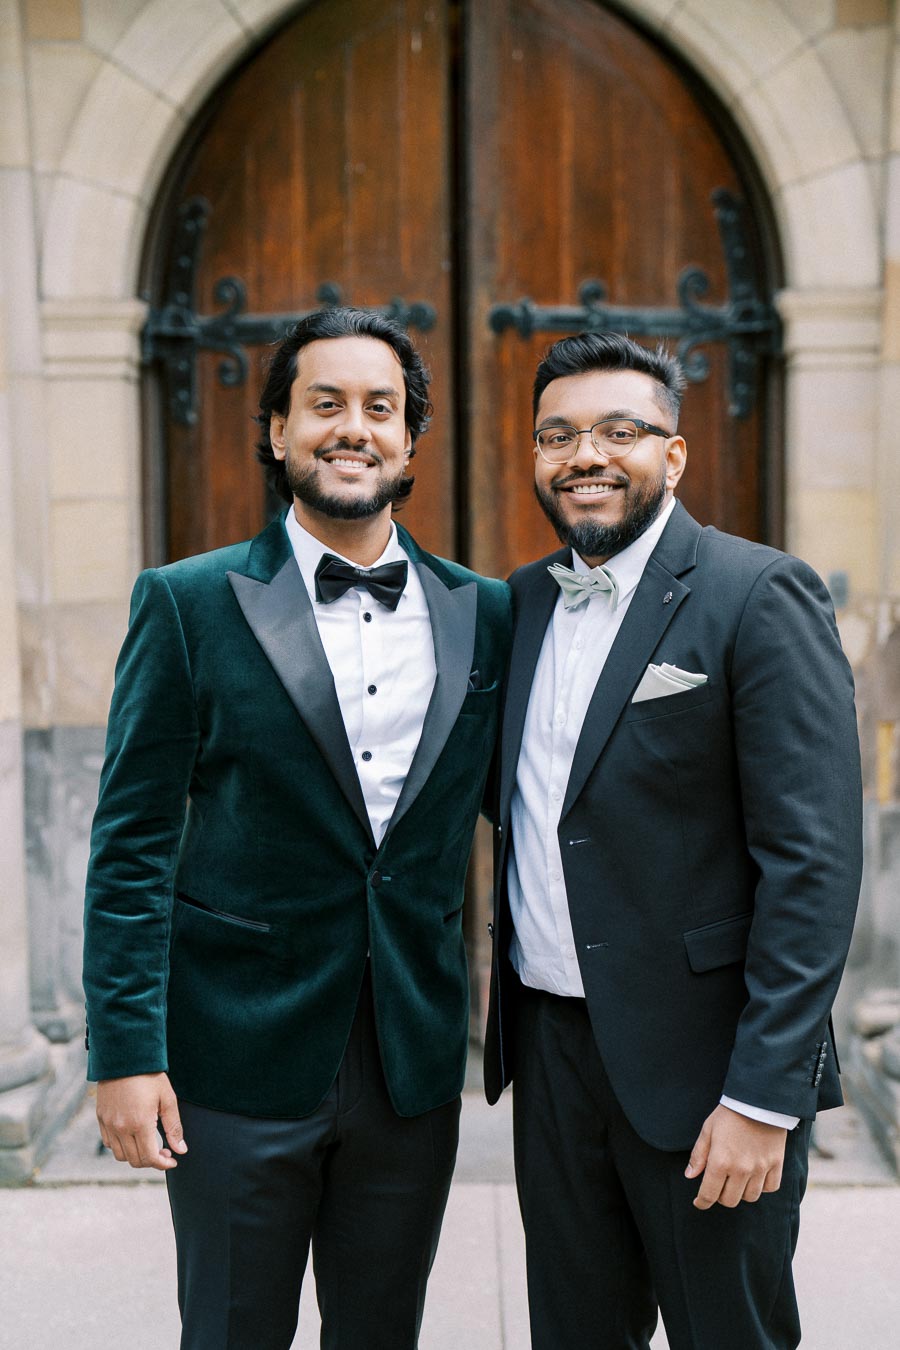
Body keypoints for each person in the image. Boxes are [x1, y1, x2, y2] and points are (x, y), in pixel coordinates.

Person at [82, 307, 511, 1350]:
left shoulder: (487, 613)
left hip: (410, 1065)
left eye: (380, 408)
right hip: (232, 1063)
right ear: (278, 429)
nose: (351, 427)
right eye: (325, 404)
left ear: (411, 441)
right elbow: (131, 846)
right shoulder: (184, 604)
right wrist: (124, 1054)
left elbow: (551, 815)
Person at [484, 332, 862, 1350]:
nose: (586, 455)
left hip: (709, 1068)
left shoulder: (758, 594)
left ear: (675, 454)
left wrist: (762, 1095)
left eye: (619, 430)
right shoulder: (515, 605)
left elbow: (814, 862)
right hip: (554, 1058)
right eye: (557, 435)